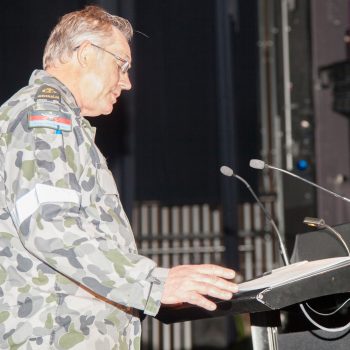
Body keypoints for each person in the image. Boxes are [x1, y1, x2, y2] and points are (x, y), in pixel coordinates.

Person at [0, 5, 238, 349]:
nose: (126, 82)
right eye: (121, 65)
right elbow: (50, 227)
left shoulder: (59, 122)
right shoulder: (44, 116)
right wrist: (154, 284)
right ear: (84, 54)